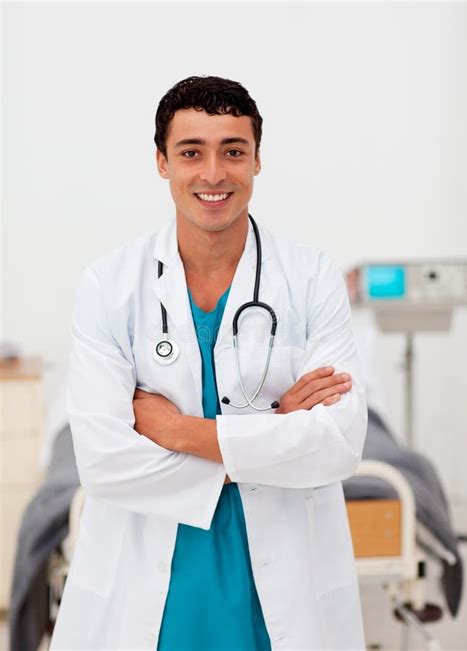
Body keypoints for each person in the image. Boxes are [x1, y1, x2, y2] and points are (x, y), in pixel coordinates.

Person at [49, 75, 368, 651]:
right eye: (191, 152)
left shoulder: (311, 276)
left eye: (233, 151)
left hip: (281, 590)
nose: (214, 174)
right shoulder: (110, 285)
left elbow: (338, 443)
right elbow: (102, 462)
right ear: (162, 162)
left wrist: (177, 432)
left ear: (257, 161)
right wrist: (273, 433)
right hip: (150, 589)